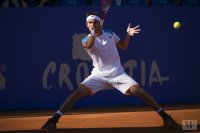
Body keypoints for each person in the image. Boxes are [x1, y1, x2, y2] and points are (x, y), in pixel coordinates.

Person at [41, 11, 180, 131]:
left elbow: (123, 46)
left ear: (100, 23)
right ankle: (53, 120)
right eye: (89, 22)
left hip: (117, 73)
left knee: (139, 91)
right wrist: (94, 34)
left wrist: (128, 35)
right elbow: (89, 45)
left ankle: (166, 118)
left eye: (94, 21)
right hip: (98, 75)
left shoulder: (110, 33)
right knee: (78, 92)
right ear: (87, 25)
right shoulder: (86, 39)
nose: (91, 24)